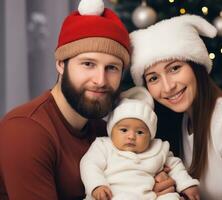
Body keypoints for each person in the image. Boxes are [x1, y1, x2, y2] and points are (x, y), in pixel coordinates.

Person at [0, 0, 174, 199]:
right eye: (88, 64)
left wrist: (152, 186)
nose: (100, 80)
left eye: (112, 68)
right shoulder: (25, 131)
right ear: (61, 65)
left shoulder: (104, 131)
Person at [129, 14, 222, 200]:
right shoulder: (185, 120)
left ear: (196, 65)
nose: (168, 87)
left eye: (174, 68)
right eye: (153, 78)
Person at [80, 86, 199, 200]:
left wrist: (187, 184)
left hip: (150, 195)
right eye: (124, 130)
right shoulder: (103, 146)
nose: (131, 136)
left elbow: (175, 166)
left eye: (140, 132)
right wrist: (97, 186)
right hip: (113, 194)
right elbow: (89, 165)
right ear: (111, 131)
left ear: (150, 135)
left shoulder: (158, 148)